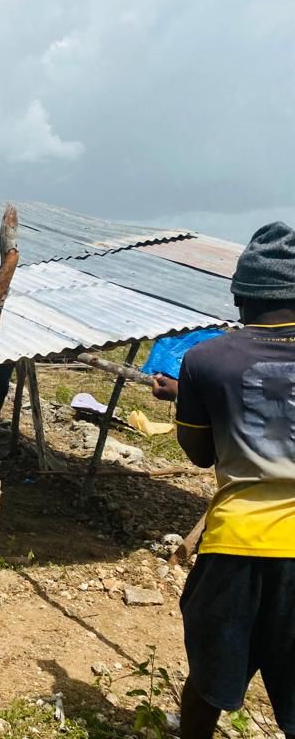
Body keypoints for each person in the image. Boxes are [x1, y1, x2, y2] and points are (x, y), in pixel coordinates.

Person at [170, 221, 295, 739]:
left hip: (236, 544)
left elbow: (199, 454)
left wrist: (199, 402)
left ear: (240, 296)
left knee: (208, 683)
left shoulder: (206, 360)